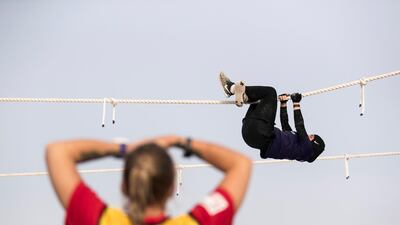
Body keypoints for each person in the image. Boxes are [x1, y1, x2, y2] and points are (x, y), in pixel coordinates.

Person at [45, 135, 252, 225]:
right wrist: (179, 141)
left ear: (124, 186)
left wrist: (125, 149)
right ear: (171, 187)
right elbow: (240, 164)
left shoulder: (98, 219)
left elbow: (57, 152)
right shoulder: (197, 222)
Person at [219, 72, 325, 162]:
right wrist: (283, 104)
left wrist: (296, 102)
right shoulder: (296, 150)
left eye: (311, 136)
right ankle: (244, 96)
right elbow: (285, 126)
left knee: (270, 93)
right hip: (249, 135)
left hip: (262, 134)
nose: (308, 135)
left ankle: (231, 88)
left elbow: (300, 126)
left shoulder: (306, 148)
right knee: (259, 100)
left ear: (312, 140)